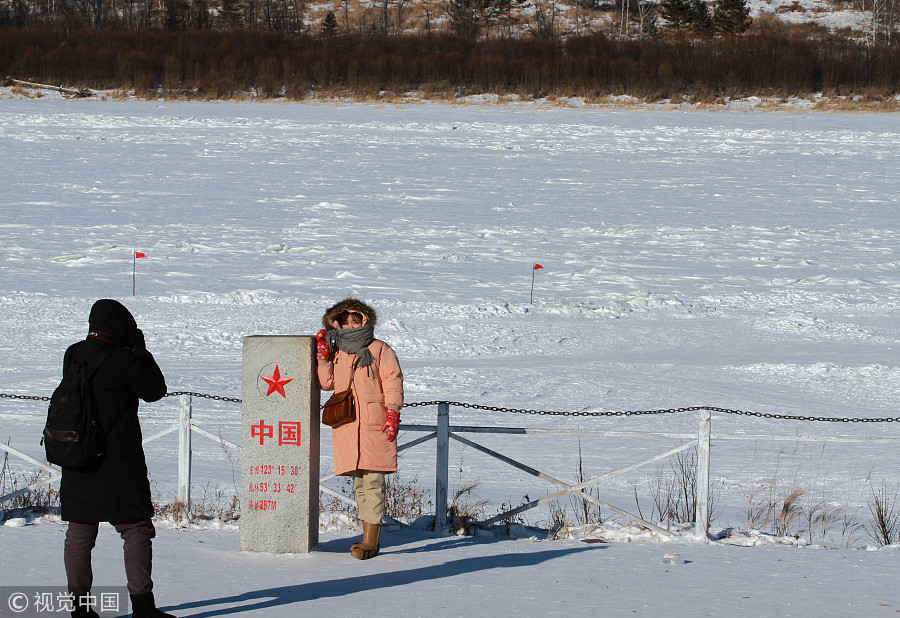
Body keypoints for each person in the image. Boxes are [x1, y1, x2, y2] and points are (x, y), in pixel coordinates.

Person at [59, 299, 174, 618]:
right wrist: (140, 350)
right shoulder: (123, 359)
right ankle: (143, 607)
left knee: (80, 531)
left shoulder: (73, 354)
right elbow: (155, 390)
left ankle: (80, 609)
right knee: (136, 529)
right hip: (119, 462)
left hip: (77, 457)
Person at [316, 298, 403, 560]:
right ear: (336, 323)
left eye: (356, 319)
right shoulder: (337, 350)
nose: (351, 324)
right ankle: (368, 536)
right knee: (360, 483)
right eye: (345, 321)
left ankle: (370, 542)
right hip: (348, 423)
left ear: (365, 321)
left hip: (375, 421)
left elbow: (392, 380)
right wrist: (323, 358)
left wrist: (393, 413)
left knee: (374, 481)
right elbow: (327, 383)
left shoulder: (379, 348)